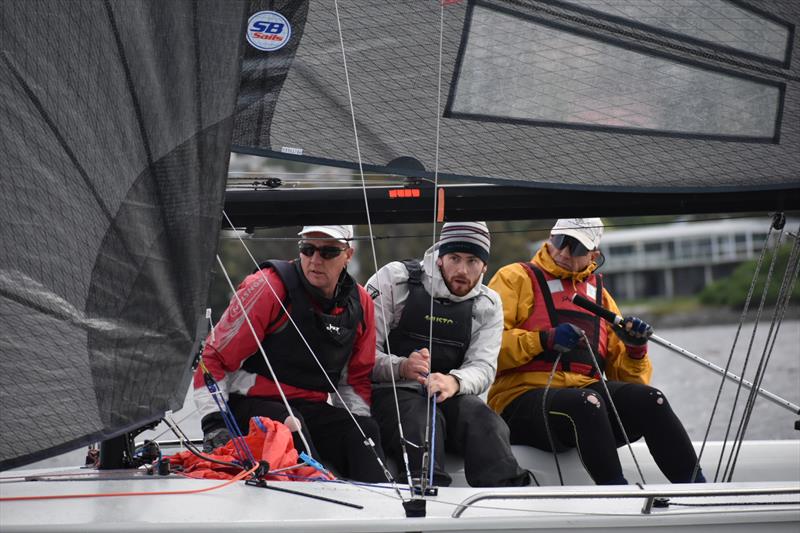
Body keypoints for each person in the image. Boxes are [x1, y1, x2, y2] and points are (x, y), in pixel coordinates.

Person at [487, 218, 704, 485]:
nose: (564, 252)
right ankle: (617, 494)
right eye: (560, 242)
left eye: (576, 247)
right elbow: (487, 347)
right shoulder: (514, 278)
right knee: (587, 403)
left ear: (594, 255)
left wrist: (635, 351)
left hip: (585, 404)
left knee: (651, 400)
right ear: (550, 238)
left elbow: (626, 384)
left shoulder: (602, 298)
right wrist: (543, 340)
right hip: (518, 403)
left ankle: (697, 488)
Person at [193, 224, 386, 482]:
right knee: (291, 426)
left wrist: (355, 425)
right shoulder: (266, 287)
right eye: (307, 249)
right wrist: (214, 424)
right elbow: (212, 358)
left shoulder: (360, 303)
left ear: (348, 255)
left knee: (364, 432)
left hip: (310, 406)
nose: (315, 260)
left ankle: (380, 512)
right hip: (250, 404)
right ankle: (320, 496)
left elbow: (355, 380)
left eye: (328, 252)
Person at [368, 222, 530, 487]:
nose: (462, 270)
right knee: (421, 420)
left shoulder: (488, 304)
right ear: (440, 257)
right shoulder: (395, 280)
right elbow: (361, 356)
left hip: (449, 393)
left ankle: (506, 493)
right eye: (454, 258)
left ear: (485, 266)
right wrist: (402, 366)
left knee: (486, 420)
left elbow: (483, 366)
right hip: (393, 393)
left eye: (473, 261)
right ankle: (428, 493)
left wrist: (453, 382)